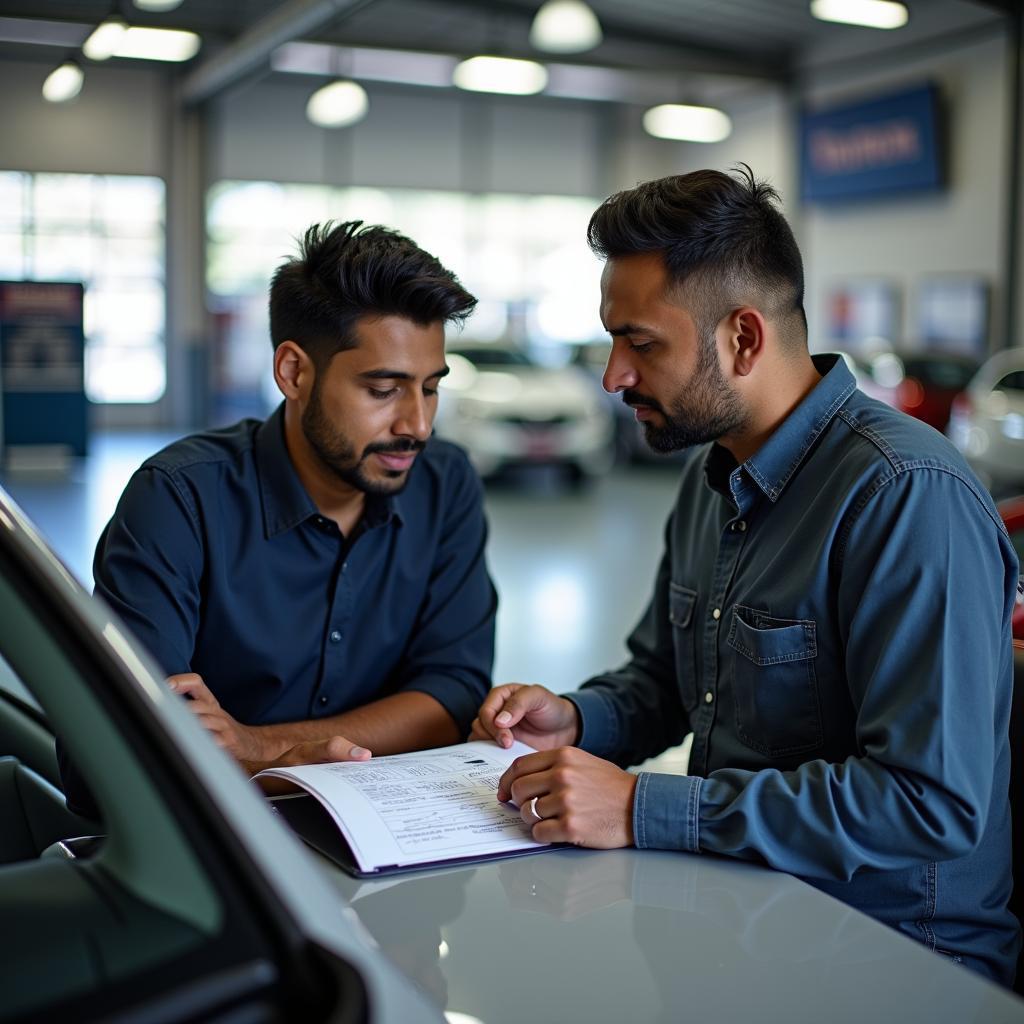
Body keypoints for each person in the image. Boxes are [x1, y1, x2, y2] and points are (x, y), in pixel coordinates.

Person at [473, 167, 1020, 985]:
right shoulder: (714, 478)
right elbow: (668, 681)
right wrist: (578, 721)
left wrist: (638, 806)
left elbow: (927, 800)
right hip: (736, 916)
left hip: (892, 960)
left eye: (641, 343)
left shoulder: (907, 498)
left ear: (743, 339)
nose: (613, 375)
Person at [91, 220, 497, 774]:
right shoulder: (179, 500)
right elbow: (129, 743)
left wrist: (259, 747)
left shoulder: (444, 484)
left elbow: (453, 691)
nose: (419, 424)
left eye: (430, 388)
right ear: (293, 372)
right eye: (383, 390)